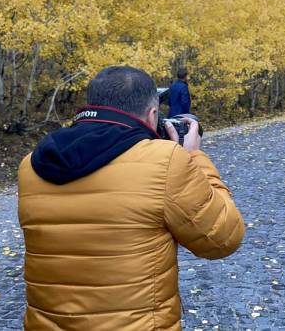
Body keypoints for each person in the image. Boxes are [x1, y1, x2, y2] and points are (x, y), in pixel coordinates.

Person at [17, 66, 245, 330]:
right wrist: (194, 157)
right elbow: (224, 238)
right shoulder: (166, 160)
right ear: (152, 115)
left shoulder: (31, 166)